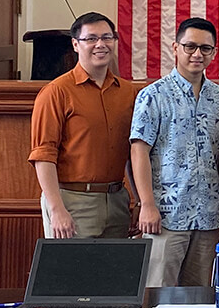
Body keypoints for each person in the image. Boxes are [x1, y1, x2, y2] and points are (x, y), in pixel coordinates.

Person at [129, 17, 219, 287]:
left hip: (209, 214)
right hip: (165, 214)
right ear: (175, 48)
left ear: (213, 53)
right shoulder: (152, 95)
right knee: (158, 293)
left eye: (205, 48)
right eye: (190, 46)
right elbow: (138, 152)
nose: (197, 54)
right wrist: (147, 204)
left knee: (200, 296)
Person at [29, 12, 138, 239]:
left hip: (118, 200)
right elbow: (43, 155)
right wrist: (56, 209)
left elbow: (133, 152)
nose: (101, 44)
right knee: (73, 274)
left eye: (107, 37)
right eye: (91, 39)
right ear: (75, 44)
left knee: (117, 272)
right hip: (72, 201)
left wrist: (138, 201)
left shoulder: (128, 93)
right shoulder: (56, 92)